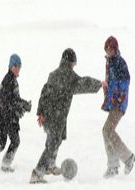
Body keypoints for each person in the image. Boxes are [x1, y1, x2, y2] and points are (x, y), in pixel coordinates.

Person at [29, 48, 102, 183]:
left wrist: (41, 113)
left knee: (55, 140)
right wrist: (99, 84)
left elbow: (44, 93)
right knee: (52, 144)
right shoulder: (69, 76)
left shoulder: (53, 74)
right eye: (74, 64)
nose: (74, 66)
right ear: (71, 63)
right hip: (57, 116)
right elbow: (84, 83)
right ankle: (37, 173)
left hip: (50, 115)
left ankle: (50, 165)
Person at [0, 54, 31, 173]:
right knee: (15, 141)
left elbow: (12, 100)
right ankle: (5, 165)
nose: (18, 68)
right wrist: (22, 105)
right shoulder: (9, 80)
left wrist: (22, 106)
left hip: (4, 116)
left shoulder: (11, 79)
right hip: (7, 118)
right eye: (15, 65)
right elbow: (9, 101)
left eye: (19, 66)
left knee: (2, 141)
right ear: (10, 66)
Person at [101, 36, 135, 178]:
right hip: (113, 102)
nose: (109, 51)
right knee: (106, 131)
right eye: (107, 48)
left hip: (119, 103)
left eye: (111, 49)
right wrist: (106, 92)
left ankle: (128, 158)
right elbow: (111, 82)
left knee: (108, 130)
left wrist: (118, 96)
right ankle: (113, 165)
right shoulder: (109, 63)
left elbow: (126, 81)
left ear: (116, 49)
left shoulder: (120, 63)